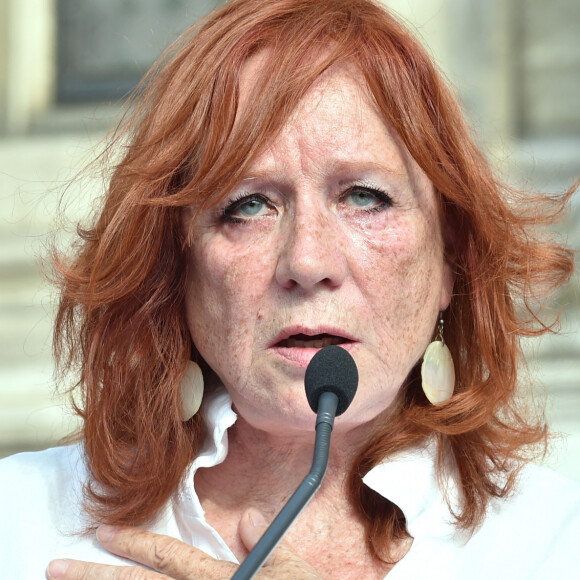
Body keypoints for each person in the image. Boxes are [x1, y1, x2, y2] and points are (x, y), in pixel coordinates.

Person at [1, 0, 578, 578]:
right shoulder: (20, 522)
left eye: (364, 197)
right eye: (248, 205)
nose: (307, 261)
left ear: (450, 258)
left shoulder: (554, 542)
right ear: (175, 269)